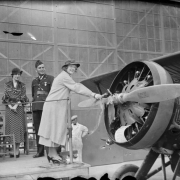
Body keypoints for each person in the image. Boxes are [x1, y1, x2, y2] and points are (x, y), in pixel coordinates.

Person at [38, 60, 102, 165]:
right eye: (71, 66)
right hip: (54, 106)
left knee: (54, 130)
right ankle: (52, 154)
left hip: (55, 105)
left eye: (74, 67)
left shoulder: (66, 77)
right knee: (54, 130)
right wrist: (93, 95)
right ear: (65, 67)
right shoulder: (64, 77)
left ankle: (52, 154)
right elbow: (77, 87)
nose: (73, 68)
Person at [2, 67, 29, 158]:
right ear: (12, 75)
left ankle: (17, 150)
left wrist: (16, 106)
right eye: (16, 74)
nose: (18, 76)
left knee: (18, 128)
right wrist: (10, 106)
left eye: (19, 74)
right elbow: (5, 97)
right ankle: (13, 149)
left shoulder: (22, 85)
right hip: (9, 109)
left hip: (19, 108)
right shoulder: (7, 84)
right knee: (11, 128)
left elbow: (23, 97)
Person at [32, 60, 54, 158]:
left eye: (43, 67)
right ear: (36, 70)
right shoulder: (34, 81)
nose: (42, 69)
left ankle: (50, 151)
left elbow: (53, 93)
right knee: (38, 130)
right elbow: (33, 95)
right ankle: (40, 152)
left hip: (46, 107)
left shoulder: (50, 78)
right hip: (36, 108)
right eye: (40, 68)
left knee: (48, 129)